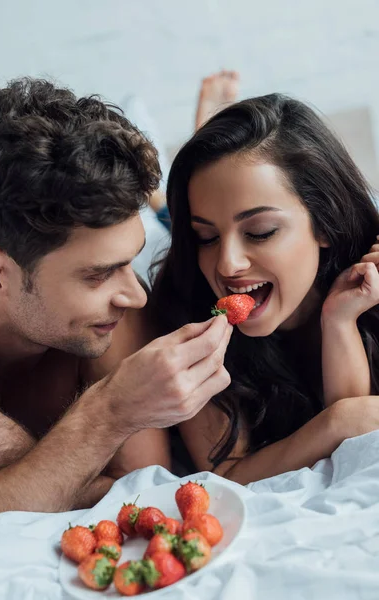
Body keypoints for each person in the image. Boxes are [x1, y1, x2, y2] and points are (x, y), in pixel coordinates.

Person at [0, 77, 232, 517]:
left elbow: (140, 499)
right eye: (98, 274)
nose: (134, 296)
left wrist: (17, 454)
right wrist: (109, 414)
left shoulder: (116, 318)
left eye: (126, 263)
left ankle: (167, 198)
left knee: (180, 240)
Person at [150, 88, 379, 484]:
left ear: (324, 222)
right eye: (206, 237)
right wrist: (334, 422)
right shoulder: (185, 307)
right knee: (168, 219)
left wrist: (339, 321)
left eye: (260, 231)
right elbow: (225, 475)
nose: (226, 264)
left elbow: (361, 439)